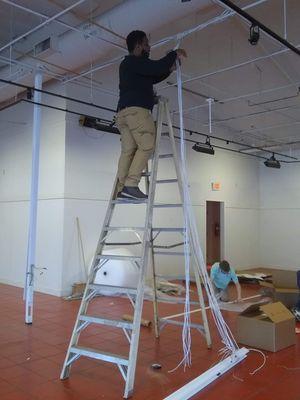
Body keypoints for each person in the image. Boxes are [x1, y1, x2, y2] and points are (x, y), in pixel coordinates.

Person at [115, 30, 187, 200]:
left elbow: (152, 75)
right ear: (138, 45)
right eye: (146, 43)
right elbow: (155, 68)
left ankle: (121, 188)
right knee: (147, 145)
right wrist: (173, 54)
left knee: (128, 151)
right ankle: (131, 185)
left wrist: (170, 69)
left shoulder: (129, 66)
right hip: (137, 112)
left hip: (123, 114)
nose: (149, 47)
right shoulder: (133, 61)